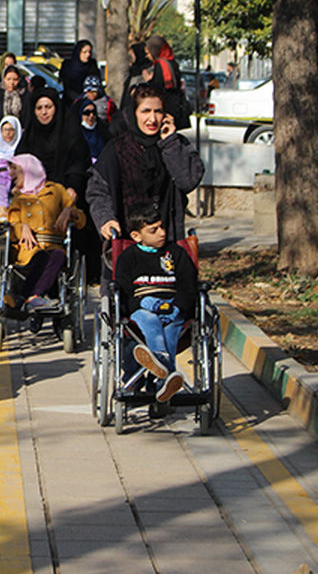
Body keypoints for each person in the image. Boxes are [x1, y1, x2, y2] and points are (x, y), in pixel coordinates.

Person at [87, 83, 205, 243]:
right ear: (134, 113)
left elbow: (187, 181)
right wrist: (105, 219)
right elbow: (98, 189)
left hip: (166, 238)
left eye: (158, 111)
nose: (152, 119)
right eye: (145, 111)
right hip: (128, 241)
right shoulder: (118, 148)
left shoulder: (175, 144)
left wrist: (169, 142)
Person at [114, 205, 197, 406]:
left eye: (161, 227)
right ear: (136, 235)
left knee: (172, 327)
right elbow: (123, 290)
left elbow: (189, 284)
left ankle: (161, 375)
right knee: (151, 320)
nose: (162, 233)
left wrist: (177, 307)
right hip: (142, 308)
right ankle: (165, 372)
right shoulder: (128, 257)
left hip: (172, 305)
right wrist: (143, 303)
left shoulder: (175, 253)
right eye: (153, 230)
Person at [3, 154, 86, 325]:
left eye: (14, 169)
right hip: (28, 249)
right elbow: (11, 225)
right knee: (40, 257)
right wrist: (22, 227)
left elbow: (81, 220)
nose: (10, 174)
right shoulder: (19, 198)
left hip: (54, 244)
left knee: (56, 255)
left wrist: (69, 211)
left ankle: (23, 298)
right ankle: (33, 297)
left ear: (29, 169)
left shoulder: (56, 191)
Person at [16, 88, 90, 199]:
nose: (44, 112)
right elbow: (19, 164)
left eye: (48, 107)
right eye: (39, 108)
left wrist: (72, 186)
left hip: (64, 194)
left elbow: (78, 163)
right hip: (34, 197)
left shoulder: (70, 132)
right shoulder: (29, 136)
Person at [145, 34, 190, 130]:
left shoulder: (161, 65)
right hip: (175, 108)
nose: (147, 56)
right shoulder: (172, 63)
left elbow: (157, 88)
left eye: (149, 53)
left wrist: (148, 80)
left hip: (167, 108)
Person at [0, 65, 30, 134]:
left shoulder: (24, 95)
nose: (12, 83)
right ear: (3, 79)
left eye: (15, 79)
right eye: (8, 79)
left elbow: (28, 116)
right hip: (0, 132)